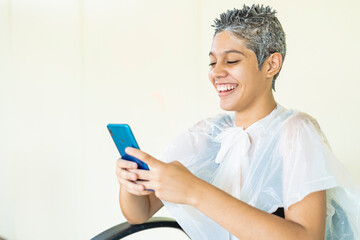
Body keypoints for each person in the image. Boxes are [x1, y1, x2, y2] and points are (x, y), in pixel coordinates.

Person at [115, 4, 359, 240]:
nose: (216, 72)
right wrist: (130, 182)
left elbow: (307, 237)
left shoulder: (295, 131)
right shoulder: (208, 134)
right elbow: (141, 211)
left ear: (271, 65)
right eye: (213, 62)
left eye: (231, 61)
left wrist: (194, 191)